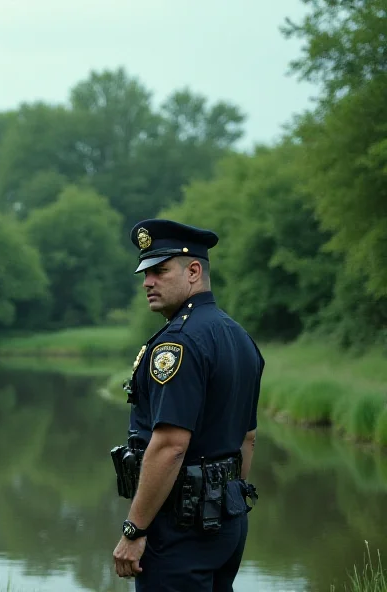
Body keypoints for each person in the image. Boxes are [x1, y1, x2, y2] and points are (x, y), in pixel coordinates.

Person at [110, 218, 263, 591]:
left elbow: (170, 446)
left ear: (193, 271)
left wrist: (134, 529)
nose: (147, 282)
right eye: (145, 273)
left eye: (159, 271)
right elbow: (248, 438)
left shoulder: (177, 344)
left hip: (181, 528)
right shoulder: (238, 336)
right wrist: (226, 501)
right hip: (226, 521)